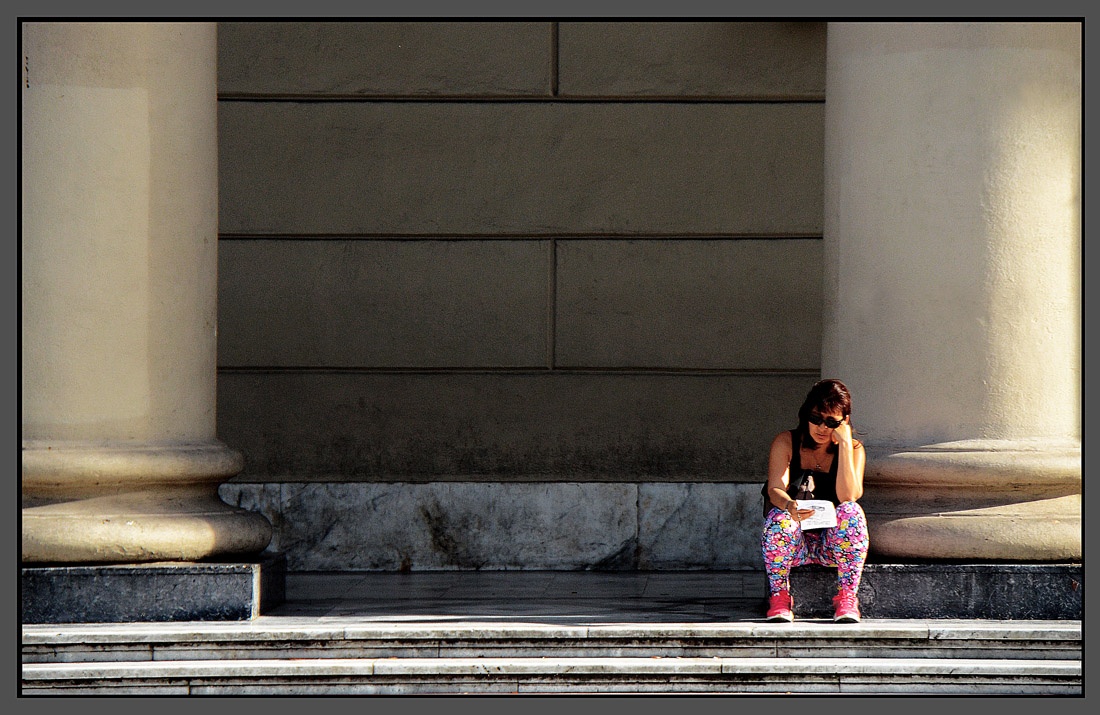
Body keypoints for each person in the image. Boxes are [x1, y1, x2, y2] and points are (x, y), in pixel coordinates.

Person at [760, 378, 869, 623]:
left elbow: (848, 495)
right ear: (806, 415)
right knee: (779, 516)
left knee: (852, 512)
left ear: (844, 422)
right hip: (793, 543)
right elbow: (775, 488)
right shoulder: (787, 441)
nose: (822, 427)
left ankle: (847, 598)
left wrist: (844, 445)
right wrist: (790, 506)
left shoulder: (853, 449)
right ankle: (779, 596)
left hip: (832, 545)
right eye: (816, 418)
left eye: (831, 422)